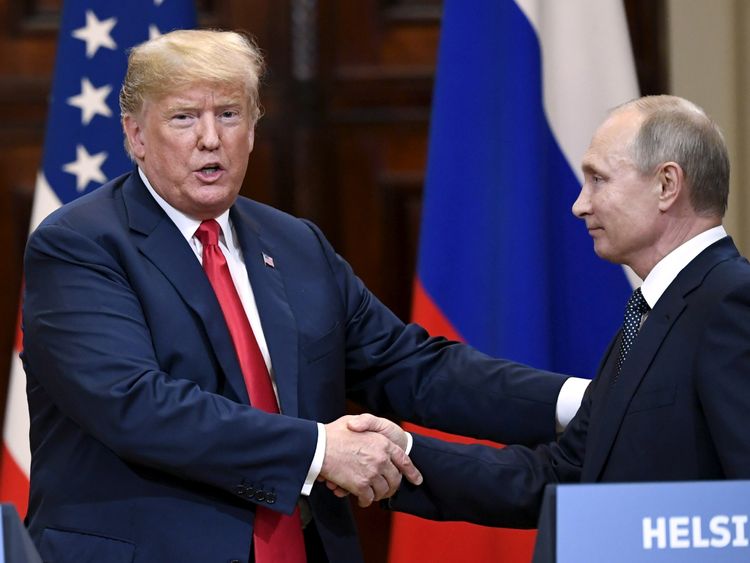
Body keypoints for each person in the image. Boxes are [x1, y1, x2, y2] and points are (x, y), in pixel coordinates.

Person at [21, 29, 583, 562]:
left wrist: (578, 401)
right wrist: (320, 451)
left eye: (229, 115)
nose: (210, 138)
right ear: (136, 135)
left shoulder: (295, 244)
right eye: (184, 118)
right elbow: (137, 405)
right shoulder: (79, 245)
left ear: (254, 128)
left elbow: (411, 366)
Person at [383, 95, 750, 527]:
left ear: (667, 185)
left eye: (598, 179)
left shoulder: (731, 303)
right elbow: (564, 474)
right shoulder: (653, 311)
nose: (580, 204)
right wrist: (399, 457)